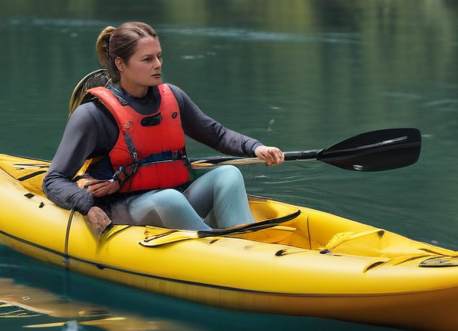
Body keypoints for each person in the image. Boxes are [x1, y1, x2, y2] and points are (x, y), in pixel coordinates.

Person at [43, 21, 284, 235]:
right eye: (147, 59)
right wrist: (87, 206)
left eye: (159, 56)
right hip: (123, 209)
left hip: (176, 198)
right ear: (121, 64)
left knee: (228, 174)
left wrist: (256, 147)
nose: (157, 64)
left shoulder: (173, 97)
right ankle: (217, 248)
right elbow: (53, 180)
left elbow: (217, 134)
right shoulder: (93, 115)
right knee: (170, 199)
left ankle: (246, 242)